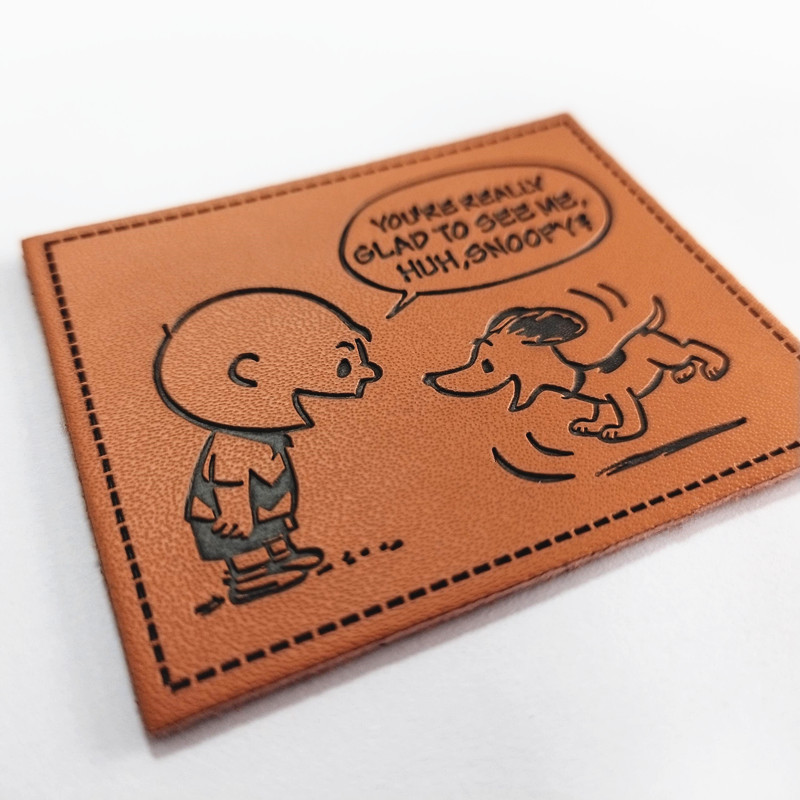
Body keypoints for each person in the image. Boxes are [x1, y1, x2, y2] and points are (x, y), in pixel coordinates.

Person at [154, 288, 382, 605]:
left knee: (271, 522)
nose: (369, 371)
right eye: (344, 363)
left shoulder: (265, 431)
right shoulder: (237, 437)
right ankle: (251, 577)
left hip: (262, 502)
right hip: (230, 513)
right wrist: (235, 513)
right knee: (244, 542)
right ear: (250, 372)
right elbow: (228, 479)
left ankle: (282, 555)